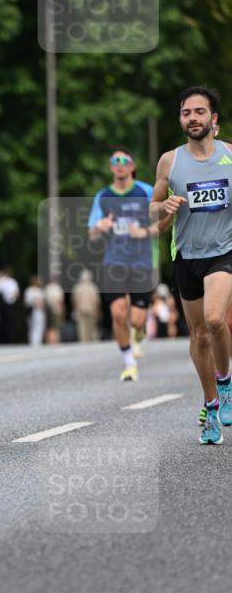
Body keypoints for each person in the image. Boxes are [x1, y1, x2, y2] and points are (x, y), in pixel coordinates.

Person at [150, 85, 232, 444]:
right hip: (186, 257)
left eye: (199, 112)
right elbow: (152, 212)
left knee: (215, 320)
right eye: (186, 113)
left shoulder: (230, 155)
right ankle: (211, 405)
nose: (193, 118)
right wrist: (164, 209)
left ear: (213, 119)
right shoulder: (170, 161)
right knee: (198, 336)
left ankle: (226, 384)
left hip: (223, 252)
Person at [88, 149, 160, 380]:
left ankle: (138, 335)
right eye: (115, 161)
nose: (119, 165)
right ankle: (129, 362)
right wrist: (100, 227)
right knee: (118, 313)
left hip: (142, 261)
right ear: (111, 167)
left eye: (124, 161)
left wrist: (145, 231)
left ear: (132, 166)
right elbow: (92, 234)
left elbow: (165, 223)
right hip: (114, 261)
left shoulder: (146, 191)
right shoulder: (103, 196)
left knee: (137, 320)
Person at [72, 268, 101, 343]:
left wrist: (75, 310)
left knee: (82, 328)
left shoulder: (77, 287)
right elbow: (97, 300)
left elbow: (75, 300)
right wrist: (97, 310)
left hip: (81, 310)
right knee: (91, 327)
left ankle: (84, 341)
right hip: (91, 309)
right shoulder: (93, 287)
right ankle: (89, 341)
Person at [0, 267, 20, 344]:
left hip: (11, 304)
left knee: (10, 323)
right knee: (3, 322)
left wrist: (11, 298)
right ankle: (2, 340)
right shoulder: (1, 281)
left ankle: (10, 339)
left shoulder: (13, 281)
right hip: (3, 304)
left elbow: (17, 293)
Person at [23, 275, 46, 346]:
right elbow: (28, 301)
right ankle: (35, 342)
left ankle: (35, 342)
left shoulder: (34, 290)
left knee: (36, 327)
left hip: (36, 311)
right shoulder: (33, 290)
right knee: (35, 327)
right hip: (34, 311)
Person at [43, 276, 65, 344]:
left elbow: (45, 299)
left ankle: (49, 340)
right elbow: (60, 300)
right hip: (56, 309)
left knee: (49, 325)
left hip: (49, 308)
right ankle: (55, 339)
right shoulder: (58, 288)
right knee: (56, 326)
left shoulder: (47, 288)